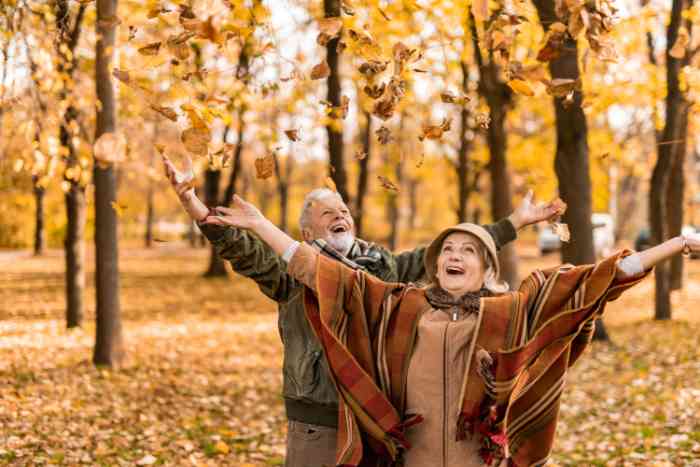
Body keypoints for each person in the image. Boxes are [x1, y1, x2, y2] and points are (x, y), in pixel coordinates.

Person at [198, 193, 700, 467]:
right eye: (448, 251)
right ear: (435, 263)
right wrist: (261, 225)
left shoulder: (511, 310)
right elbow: (316, 271)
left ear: (485, 267)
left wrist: (677, 242)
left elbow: (600, 279)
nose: (455, 256)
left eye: (468, 252)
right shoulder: (400, 304)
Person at [162, 155, 561, 466]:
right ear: (307, 233)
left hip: (377, 418)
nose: (340, 216)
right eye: (327, 213)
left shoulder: (384, 267)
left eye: (344, 211)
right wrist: (192, 203)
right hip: (320, 417)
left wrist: (514, 223)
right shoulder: (290, 272)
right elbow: (243, 250)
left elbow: (450, 251)